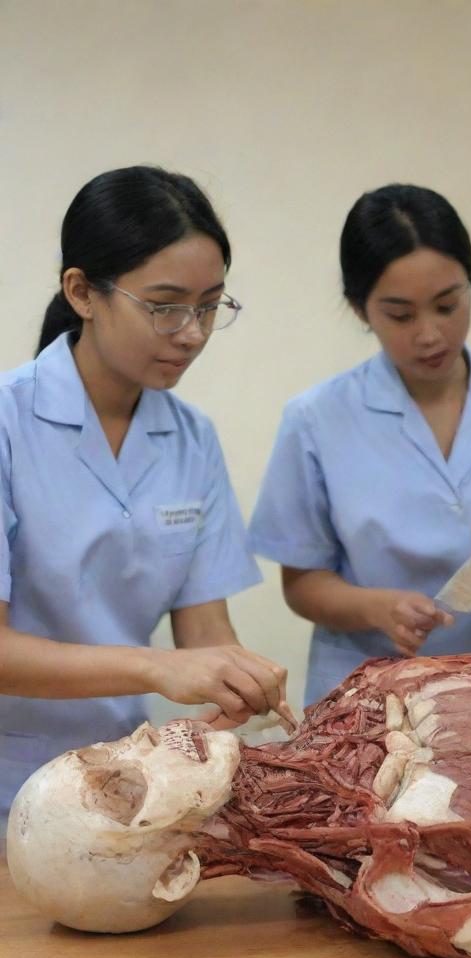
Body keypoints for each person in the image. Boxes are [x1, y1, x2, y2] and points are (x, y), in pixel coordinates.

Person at [0, 166, 290, 818]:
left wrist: (241, 683)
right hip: (9, 774)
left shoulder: (191, 439)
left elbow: (206, 635)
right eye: (164, 306)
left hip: (123, 782)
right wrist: (155, 668)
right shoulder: (8, 424)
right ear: (82, 292)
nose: (191, 332)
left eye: (211, 306)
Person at [248, 184, 471, 704]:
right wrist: (377, 609)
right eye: (401, 315)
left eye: (447, 305)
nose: (430, 334)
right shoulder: (317, 419)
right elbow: (302, 583)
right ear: (360, 310)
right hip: (369, 694)